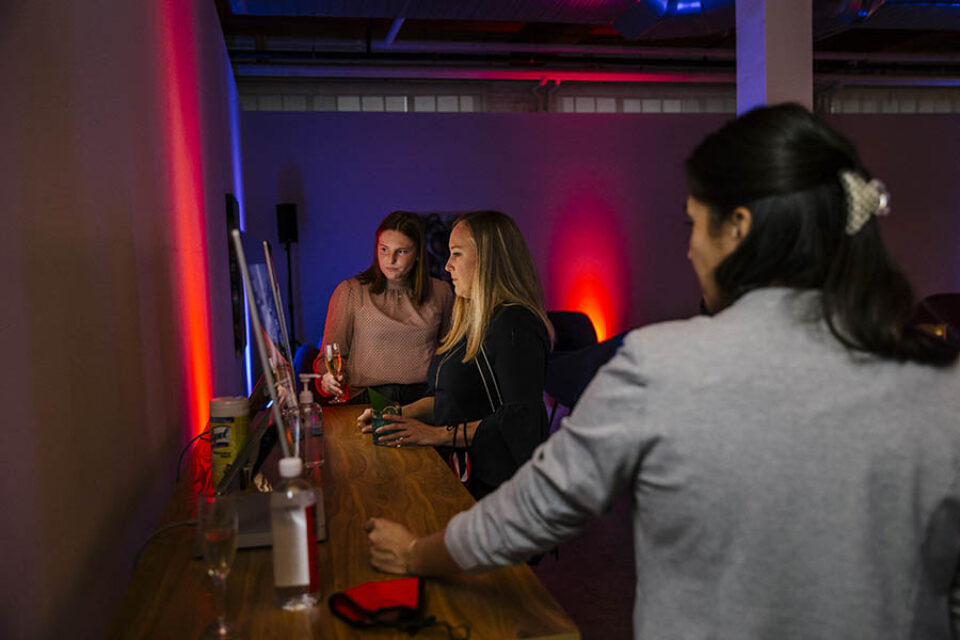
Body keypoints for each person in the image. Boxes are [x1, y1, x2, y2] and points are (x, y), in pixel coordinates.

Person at [363, 105, 960, 639]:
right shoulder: (939, 383)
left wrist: (416, 553)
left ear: (740, 229)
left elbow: (532, 510)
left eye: (693, 224)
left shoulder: (661, 366)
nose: (689, 249)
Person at [361, 210, 554, 499]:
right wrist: (397, 415)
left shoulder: (514, 323)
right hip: (463, 472)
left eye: (457, 254)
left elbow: (519, 421)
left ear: (489, 259)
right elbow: (450, 396)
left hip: (500, 491)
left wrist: (435, 434)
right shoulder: (473, 318)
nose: (448, 266)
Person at [314, 211, 453, 405]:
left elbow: (451, 356)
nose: (390, 260)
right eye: (384, 249)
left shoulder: (441, 292)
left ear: (418, 254)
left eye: (401, 251)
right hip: (367, 399)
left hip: (424, 399)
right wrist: (328, 379)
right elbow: (326, 359)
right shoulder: (351, 292)